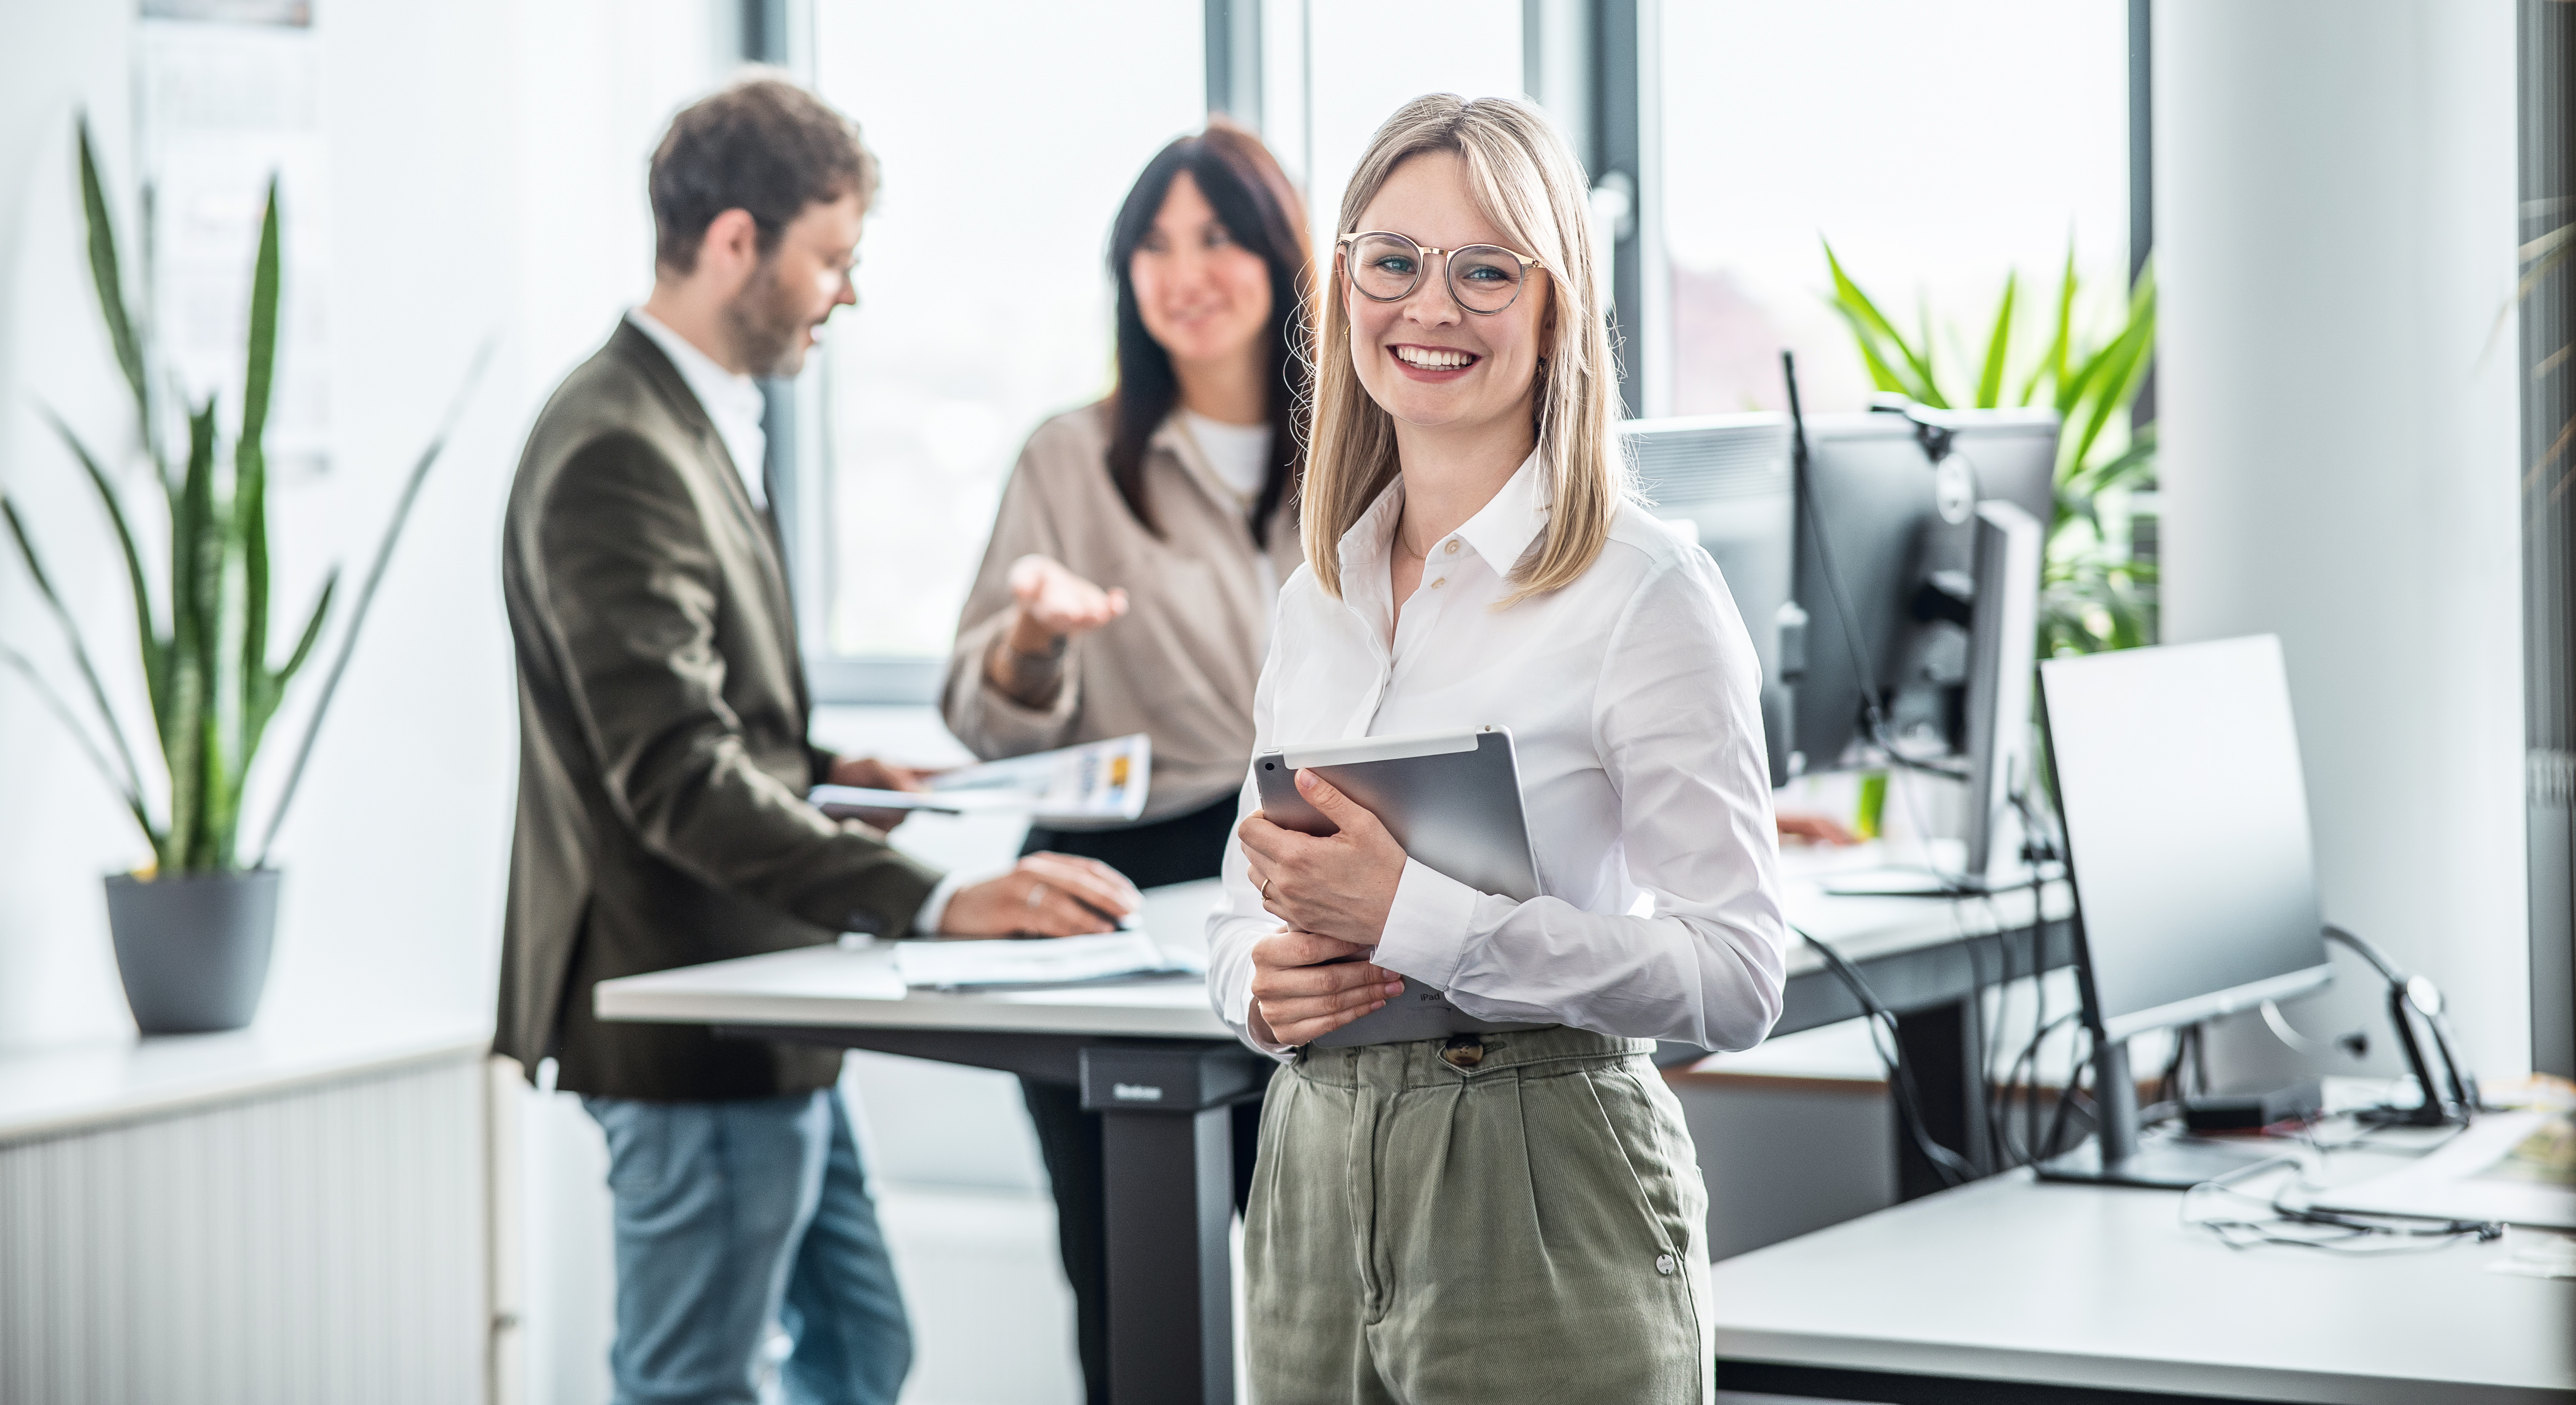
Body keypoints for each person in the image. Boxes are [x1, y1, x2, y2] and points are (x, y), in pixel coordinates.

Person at [494, 75, 1141, 1405]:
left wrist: (840, 777)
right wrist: (938, 902)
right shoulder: (617, 447)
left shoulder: (689, 419)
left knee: (861, 1350)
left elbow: (708, 713)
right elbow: (672, 772)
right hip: (695, 1010)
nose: (843, 295)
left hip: (762, 996)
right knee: (696, 1383)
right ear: (737, 241)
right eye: (830, 259)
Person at [1204, 94, 1789, 1404]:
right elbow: (1239, 903)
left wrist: (1420, 918)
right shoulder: (1321, 593)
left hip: (1539, 1170)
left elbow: (1741, 974)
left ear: (1555, 308)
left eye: (1486, 271)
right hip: (1310, 1170)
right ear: (1344, 282)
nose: (1430, 307)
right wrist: (1253, 985)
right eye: (1393, 261)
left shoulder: (1645, 590)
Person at [940, 117, 1312, 1405]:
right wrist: (1033, 643)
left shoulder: (1363, 450)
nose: (1182, 272)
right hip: (1109, 885)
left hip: (1300, 885)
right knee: (1128, 1296)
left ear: (1280, 260)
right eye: (1153, 246)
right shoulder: (1072, 458)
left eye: (1216, 239)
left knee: (1316, 1289)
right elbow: (981, 726)